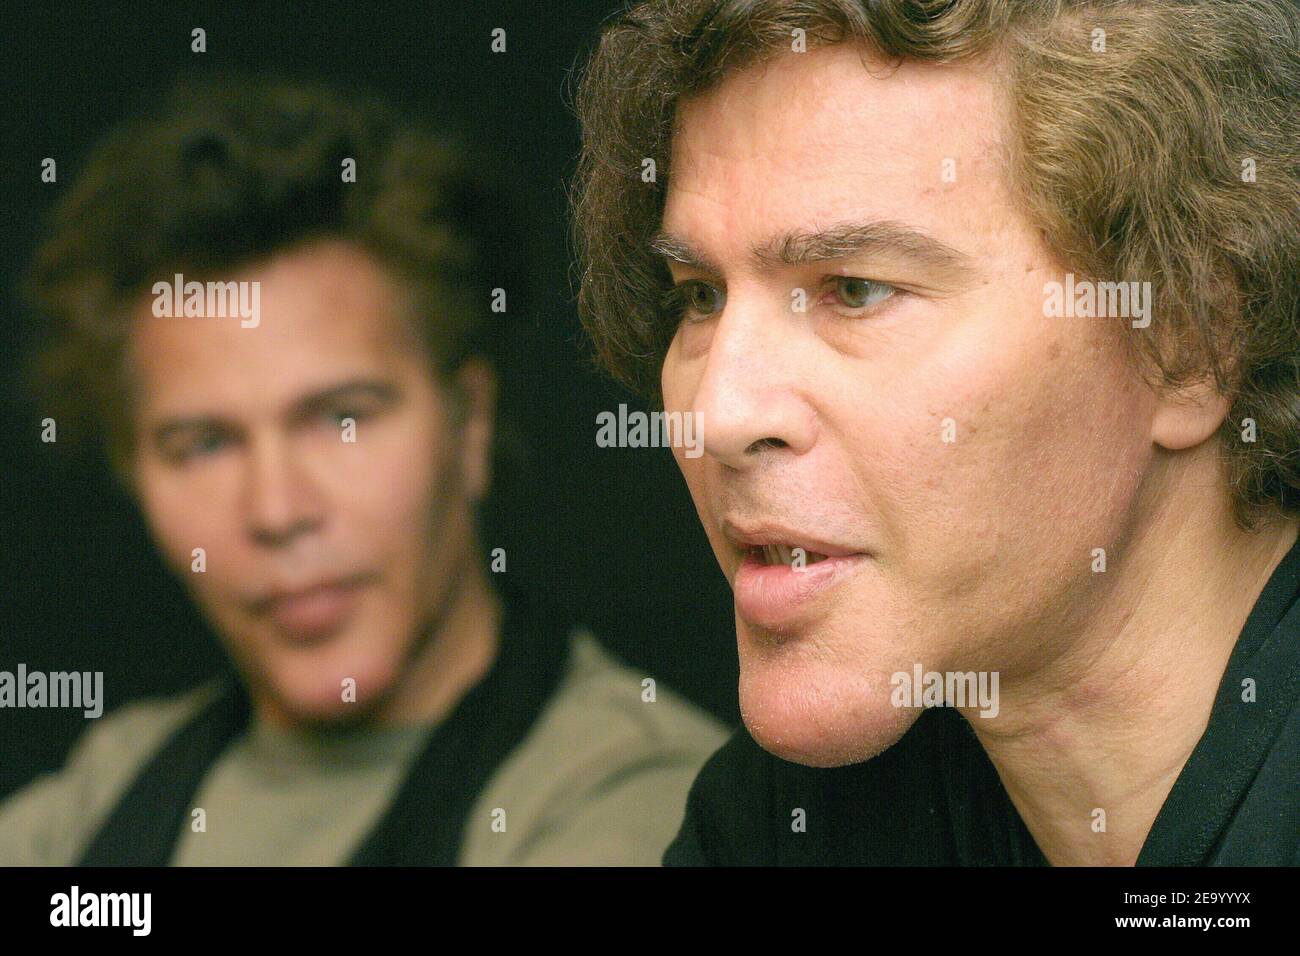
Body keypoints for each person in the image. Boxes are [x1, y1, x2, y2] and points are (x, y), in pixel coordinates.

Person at [570, 0, 1300, 865]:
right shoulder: (787, 826)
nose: (719, 415)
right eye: (700, 295)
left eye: (855, 289)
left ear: (1187, 340)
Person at [1, 78, 728, 866]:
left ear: (469, 423)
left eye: (343, 417)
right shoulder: (104, 793)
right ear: (132, 471)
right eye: (204, 444)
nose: (277, 509)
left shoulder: (644, 802)